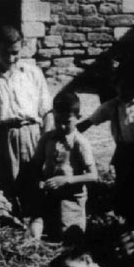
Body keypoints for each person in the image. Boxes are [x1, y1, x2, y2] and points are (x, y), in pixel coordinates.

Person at [78, 59, 134, 227]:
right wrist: (69, 132)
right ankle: (128, 222)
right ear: (115, 85)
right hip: (124, 152)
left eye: (130, 87)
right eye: (120, 86)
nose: (124, 91)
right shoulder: (111, 106)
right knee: (125, 188)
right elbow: (89, 122)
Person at [0, 25, 53, 216]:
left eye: (15, 53)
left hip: (33, 136)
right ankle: (17, 230)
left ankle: (39, 230)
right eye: (5, 53)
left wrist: (46, 146)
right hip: (3, 140)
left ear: (22, 47)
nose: (11, 58)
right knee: (10, 191)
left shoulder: (33, 74)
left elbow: (47, 113)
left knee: (37, 187)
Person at [30, 91, 98, 241]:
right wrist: (39, 180)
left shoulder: (80, 142)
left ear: (78, 118)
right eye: (57, 120)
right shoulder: (47, 138)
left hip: (71, 198)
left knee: (68, 236)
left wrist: (66, 180)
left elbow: (93, 175)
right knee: (38, 224)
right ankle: (33, 244)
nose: (61, 126)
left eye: (67, 122)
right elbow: (35, 165)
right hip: (49, 194)